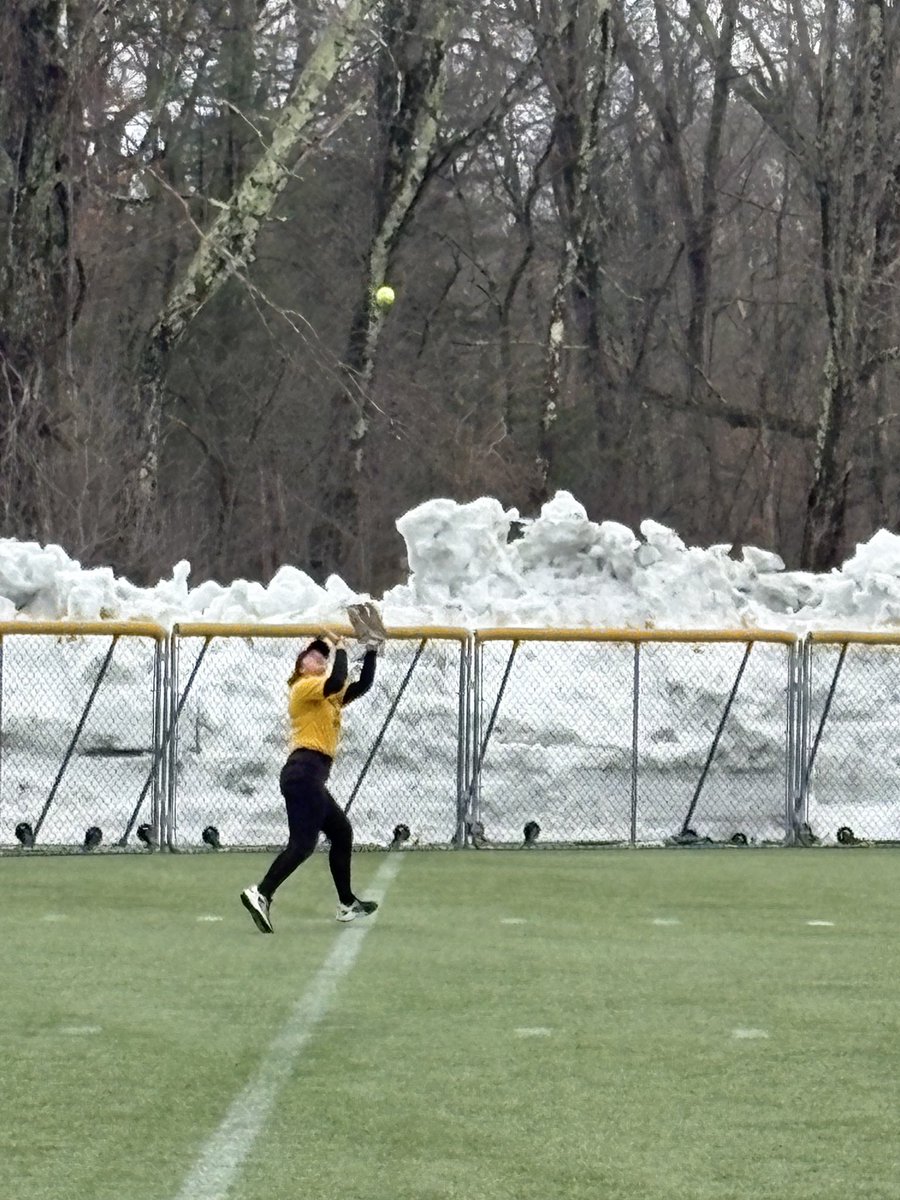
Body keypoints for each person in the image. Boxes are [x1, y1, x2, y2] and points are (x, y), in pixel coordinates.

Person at [240, 629, 381, 932]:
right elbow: (336, 680)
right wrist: (339, 647)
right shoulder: (304, 686)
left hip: (309, 776)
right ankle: (262, 892)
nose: (319, 658)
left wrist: (372, 649)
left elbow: (363, 685)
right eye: (313, 655)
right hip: (303, 772)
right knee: (303, 844)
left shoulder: (327, 698)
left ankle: (346, 903)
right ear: (301, 666)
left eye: (323, 656)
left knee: (341, 832)